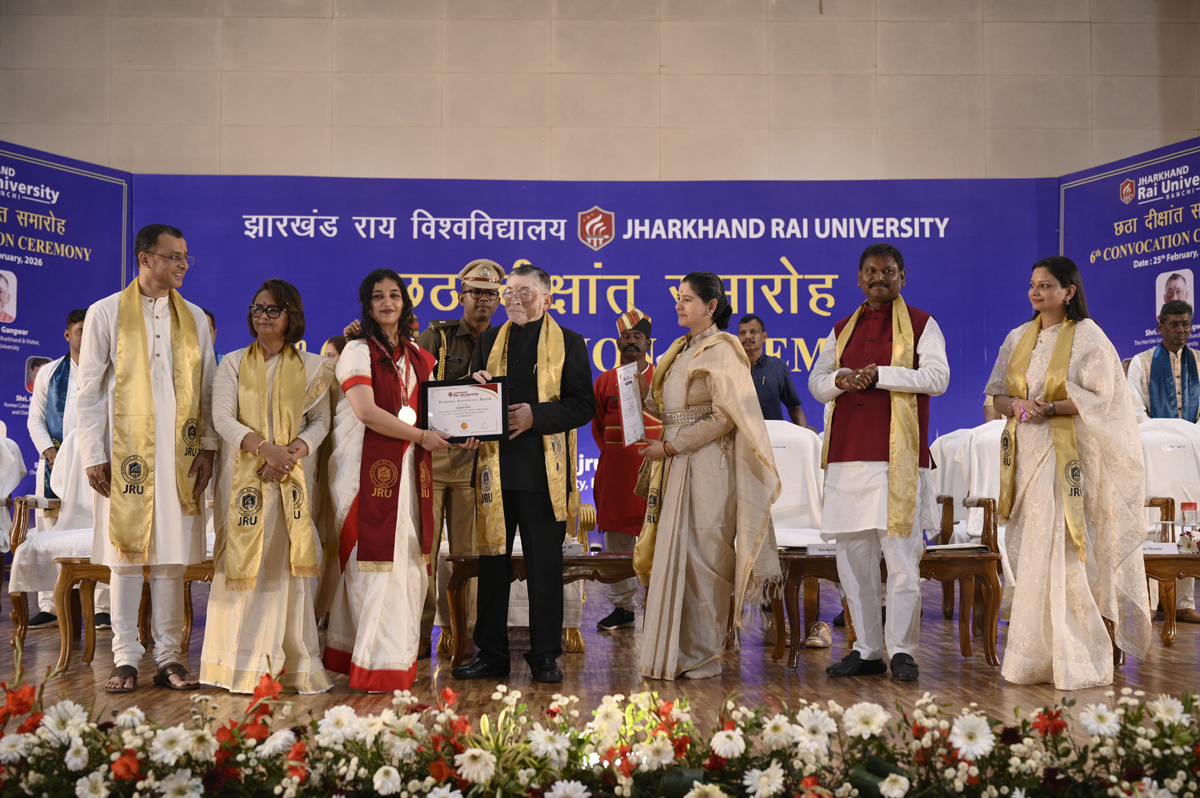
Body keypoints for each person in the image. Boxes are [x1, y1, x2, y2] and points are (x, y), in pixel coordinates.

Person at [986, 256, 1151, 690]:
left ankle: (1076, 656)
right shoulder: (1017, 337)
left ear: (1068, 291)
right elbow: (996, 395)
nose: (1035, 292)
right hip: (1026, 456)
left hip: (1068, 457)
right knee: (1032, 551)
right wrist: (1017, 405)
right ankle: (1032, 656)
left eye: (1045, 285)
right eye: (1032, 284)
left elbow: (1104, 397)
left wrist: (1051, 407)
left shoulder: (1088, 335)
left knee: (1062, 550)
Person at [76, 223, 217, 693]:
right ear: (145, 259)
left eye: (186, 257)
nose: (183, 264)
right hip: (124, 457)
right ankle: (125, 657)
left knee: (171, 560)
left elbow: (208, 387)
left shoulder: (193, 317)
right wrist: (94, 453)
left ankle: (169, 657)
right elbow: (88, 390)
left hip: (179, 456)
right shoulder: (105, 312)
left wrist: (208, 448)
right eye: (174, 256)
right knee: (126, 557)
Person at [809, 243, 949, 682]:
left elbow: (938, 378)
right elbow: (816, 383)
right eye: (871, 271)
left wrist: (881, 375)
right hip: (847, 459)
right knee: (853, 562)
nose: (879, 278)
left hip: (898, 461)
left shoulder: (923, 324)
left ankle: (903, 650)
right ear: (859, 278)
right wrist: (842, 378)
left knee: (902, 560)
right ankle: (867, 650)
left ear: (902, 277)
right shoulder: (841, 329)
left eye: (888, 271)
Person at [451, 262, 595, 684]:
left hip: (543, 475)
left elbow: (582, 405)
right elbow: (475, 398)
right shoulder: (490, 339)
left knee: (544, 569)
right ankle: (491, 655)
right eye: (509, 292)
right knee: (493, 567)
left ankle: (545, 655)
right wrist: (473, 400)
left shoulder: (570, 342)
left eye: (524, 293)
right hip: (495, 473)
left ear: (546, 299)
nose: (513, 299)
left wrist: (536, 416)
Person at [635, 272, 781, 680]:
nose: (679, 305)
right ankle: (672, 653)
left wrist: (671, 447)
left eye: (687, 299)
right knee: (676, 554)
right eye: (678, 298)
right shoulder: (680, 348)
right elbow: (664, 407)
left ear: (710, 306)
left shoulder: (724, 349)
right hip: (677, 461)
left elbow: (723, 418)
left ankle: (703, 654)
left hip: (707, 465)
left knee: (705, 557)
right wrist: (636, 389)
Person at [322, 269, 461, 692]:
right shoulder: (356, 351)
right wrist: (420, 436)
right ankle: (372, 666)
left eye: (394, 295)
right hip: (364, 475)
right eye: (378, 296)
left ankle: (391, 663)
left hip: (411, 472)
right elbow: (365, 412)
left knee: (407, 566)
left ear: (405, 303)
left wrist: (472, 412)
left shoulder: (418, 357)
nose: (387, 302)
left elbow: (437, 410)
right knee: (374, 568)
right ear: (367, 305)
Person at [201, 279, 334, 694]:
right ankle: (237, 667)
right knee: (244, 567)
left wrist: (292, 453)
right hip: (244, 478)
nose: (263, 316)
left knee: (284, 568)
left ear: (291, 316)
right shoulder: (232, 363)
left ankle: (290, 666)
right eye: (257, 308)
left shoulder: (313, 367)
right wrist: (265, 450)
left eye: (273, 310)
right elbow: (222, 418)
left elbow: (321, 422)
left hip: (291, 478)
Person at [415, 258, 505, 657]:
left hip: (478, 463)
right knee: (424, 553)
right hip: (434, 458)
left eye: (490, 293)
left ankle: (463, 637)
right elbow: (417, 390)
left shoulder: (506, 341)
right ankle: (418, 635)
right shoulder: (438, 336)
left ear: (499, 300)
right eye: (476, 292)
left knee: (469, 557)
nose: (483, 299)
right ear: (460, 296)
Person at [25, 308, 110, 629]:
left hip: (97, 464)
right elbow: (35, 419)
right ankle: (50, 604)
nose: (86, 337)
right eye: (80, 331)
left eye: (91, 331)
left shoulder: (109, 369)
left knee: (99, 529)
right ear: (67, 334)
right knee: (51, 530)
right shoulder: (49, 373)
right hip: (56, 464)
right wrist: (51, 453)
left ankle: (103, 605)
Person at [591, 308, 662, 631]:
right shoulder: (604, 380)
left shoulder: (662, 377)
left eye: (638, 336)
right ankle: (623, 607)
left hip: (655, 471)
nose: (631, 341)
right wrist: (616, 454)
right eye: (626, 336)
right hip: (616, 474)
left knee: (658, 539)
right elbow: (597, 425)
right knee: (617, 542)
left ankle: (659, 607)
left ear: (648, 343)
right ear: (618, 342)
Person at [1128, 300, 1200, 425]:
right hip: (1154, 435)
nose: (1180, 330)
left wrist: (1192, 432)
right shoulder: (1141, 362)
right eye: (1174, 324)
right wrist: (1162, 432)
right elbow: (1136, 411)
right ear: (1160, 328)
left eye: (1185, 324)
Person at [737, 314, 807, 426]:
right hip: (739, 434)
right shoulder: (730, 367)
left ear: (764, 336)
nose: (747, 336)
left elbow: (794, 408)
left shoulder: (777, 367)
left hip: (773, 434)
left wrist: (805, 432)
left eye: (753, 332)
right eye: (742, 333)